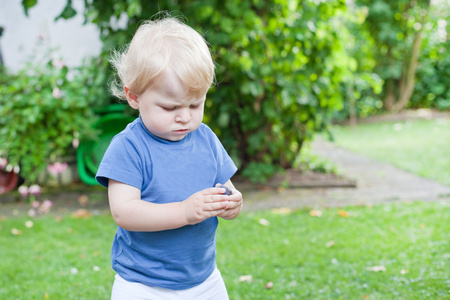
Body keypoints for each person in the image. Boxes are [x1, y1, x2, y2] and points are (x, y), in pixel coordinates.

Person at [96, 15, 243, 300]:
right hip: (143, 285)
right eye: (169, 107)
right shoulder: (129, 147)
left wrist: (232, 202)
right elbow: (124, 212)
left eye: (195, 104)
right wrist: (184, 212)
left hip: (204, 280)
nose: (185, 117)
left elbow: (225, 188)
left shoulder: (206, 139)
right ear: (134, 96)